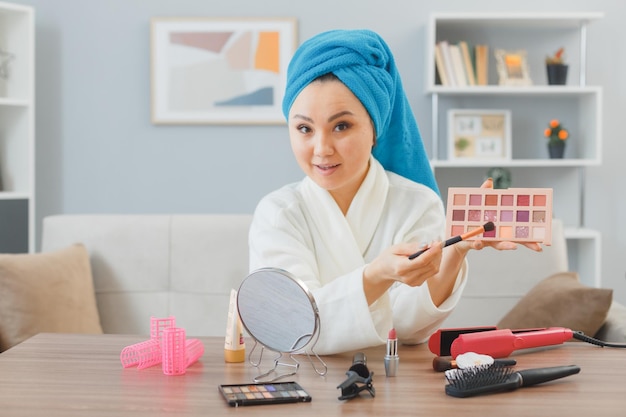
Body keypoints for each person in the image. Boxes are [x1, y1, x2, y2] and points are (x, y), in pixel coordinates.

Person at [248, 29, 541, 355]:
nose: (321, 149)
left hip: (398, 385)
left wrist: (455, 251)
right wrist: (376, 276)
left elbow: (408, 328)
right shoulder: (277, 213)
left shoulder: (418, 203)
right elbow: (291, 325)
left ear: (375, 128)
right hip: (302, 388)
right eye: (304, 128)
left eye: (341, 126)